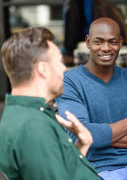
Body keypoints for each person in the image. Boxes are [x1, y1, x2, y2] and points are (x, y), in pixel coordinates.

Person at [56, 17, 127, 180]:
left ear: (120, 42)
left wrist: (98, 137)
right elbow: (80, 134)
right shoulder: (70, 81)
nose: (106, 48)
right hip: (100, 171)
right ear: (88, 42)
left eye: (112, 42)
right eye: (98, 42)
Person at [0, 27, 101, 180]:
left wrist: (82, 145)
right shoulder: (33, 126)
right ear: (42, 69)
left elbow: (63, 173)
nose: (64, 69)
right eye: (59, 62)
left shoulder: (26, 114)